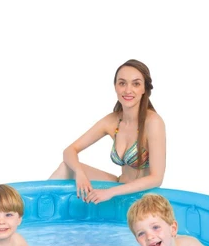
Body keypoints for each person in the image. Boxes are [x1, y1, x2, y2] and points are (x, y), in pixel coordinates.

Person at [49, 59, 166, 204]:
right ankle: (35, 211)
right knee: (67, 167)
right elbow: (69, 150)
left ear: (144, 89)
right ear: (115, 86)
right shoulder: (112, 121)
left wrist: (110, 192)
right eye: (122, 83)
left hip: (142, 197)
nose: (128, 90)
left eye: (136, 84)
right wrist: (80, 173)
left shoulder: (153, 122)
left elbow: (156, 178)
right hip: (118, 184)